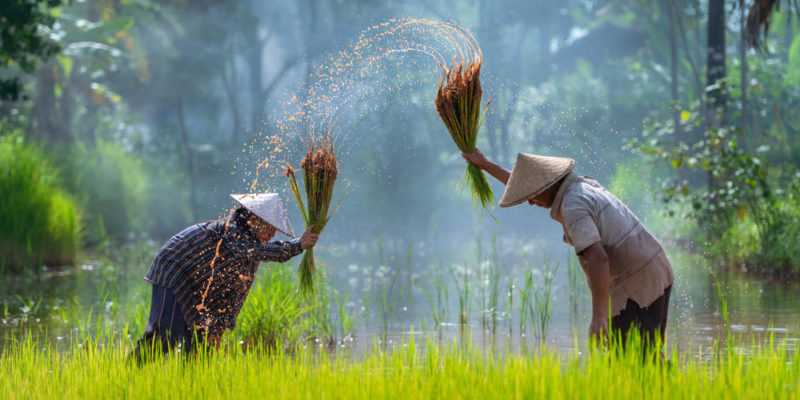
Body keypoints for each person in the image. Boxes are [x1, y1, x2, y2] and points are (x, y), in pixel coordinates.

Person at [462, 148, 673, 350]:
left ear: (546, 185)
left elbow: (597, 258)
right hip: (654, 266)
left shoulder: (573, 205)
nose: (530, 202)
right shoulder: (580, 186)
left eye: (532, 195)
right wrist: (486, 165)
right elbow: (525, 185)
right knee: (643, 358)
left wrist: (599, 317)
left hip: (636, 281)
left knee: (633, 361)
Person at [131, 193, 318, 361]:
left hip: (198, 283)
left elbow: (237, 293)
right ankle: (131, 371)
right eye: (269, 226)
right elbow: (256, 251)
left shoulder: (250, 255)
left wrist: (219, 328)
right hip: (174, 269)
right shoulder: (233, 231)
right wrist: (298, 245)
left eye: (274, 229)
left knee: (203, 343)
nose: (272, 233)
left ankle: (193, 386)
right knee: (168, 332)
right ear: (253, 220)